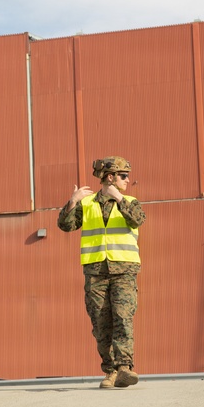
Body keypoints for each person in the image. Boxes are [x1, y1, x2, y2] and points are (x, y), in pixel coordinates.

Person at [57, 156, 146, 389]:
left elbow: (137, 220)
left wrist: (118, 198)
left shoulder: (130, 201)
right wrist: (73, 201)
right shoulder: (87, 204)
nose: (128, 180)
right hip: (96, 271)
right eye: (123, 176)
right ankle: (110, 372)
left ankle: (125, 367)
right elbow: (66, 225)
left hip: (124, 270)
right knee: (100, 322)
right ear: (110, 177)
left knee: (123, 318)